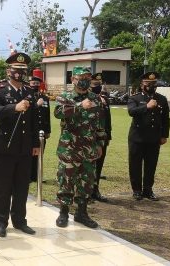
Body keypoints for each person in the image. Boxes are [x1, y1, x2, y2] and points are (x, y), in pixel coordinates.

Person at [0, 53, 39, 237]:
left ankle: (20, 220)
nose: (19, 73)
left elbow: (34, 120)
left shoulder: (29, 91)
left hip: (25, 147)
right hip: (5, 146)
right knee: (2, 186)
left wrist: (35, 144)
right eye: (16, 70)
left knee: (21, 186)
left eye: (22, 70)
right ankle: (0, 221)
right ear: (8, 70)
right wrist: (14, 108)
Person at [54, 66, 107, 229]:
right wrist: (79, 107)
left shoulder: (96, 98)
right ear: (72, 80)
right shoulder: (66, 97)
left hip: (89, 148)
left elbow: (100, 124)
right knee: (66, 180)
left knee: (86, 182)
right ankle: (63, 212)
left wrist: (100, 144)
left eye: (87, 77)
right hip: (69, 148)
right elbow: (58, 113)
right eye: (80, 77)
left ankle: (81, 213)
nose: (84, 80)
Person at [127, 72, 170, 201]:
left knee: (151, 165)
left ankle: (148, 190)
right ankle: (137, 190)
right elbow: (131, 112)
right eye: (148, 83)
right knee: (135, 165)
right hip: (137, 138)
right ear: (142, 85)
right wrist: (146, 106)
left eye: (153, 83)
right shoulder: (134, 98)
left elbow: (165, 119)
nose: (151, 85)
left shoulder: (161, 99)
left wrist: (164, 135)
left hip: (154, 138)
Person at [90, 73, 110, 202]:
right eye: (95, 84)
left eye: (99, 84)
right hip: (89, 137)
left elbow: (107, 119)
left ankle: (95, 190)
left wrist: (108, 135)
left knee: (98, 165)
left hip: (103, 137)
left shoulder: (104, 99)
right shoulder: (86, 99)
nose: (98, 87)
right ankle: (84, 193)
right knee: (87, 166)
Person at [29, 76, 50, 182]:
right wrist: (36, 105)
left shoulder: (45, 98)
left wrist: (48, 130)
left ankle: (37, 176)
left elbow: (47, 115)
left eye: (37, 83)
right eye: (33, 83)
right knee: (29, 154)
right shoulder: (27, 97)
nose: (35, 85)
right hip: (30, 130)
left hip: (42, 130)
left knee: (40, 153)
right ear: (29, 84)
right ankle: (28, 176)